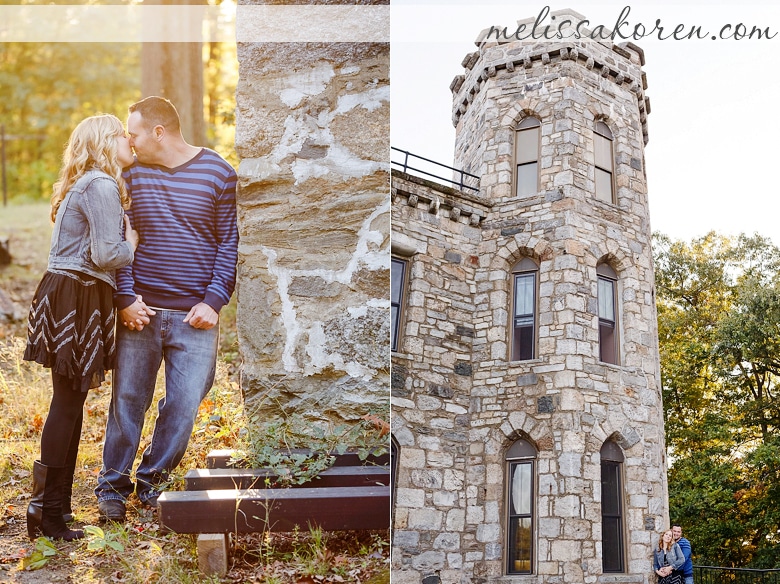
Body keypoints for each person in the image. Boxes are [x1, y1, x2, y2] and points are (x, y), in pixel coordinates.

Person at [94, 96, 238, 521]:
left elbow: (228, 242)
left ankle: (154, 481)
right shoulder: (130, 174)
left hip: (196, 316)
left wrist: (213, 301)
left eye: (133, 132)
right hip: (141, 311)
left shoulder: (219, 172)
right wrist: (125, 298)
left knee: (183, 404)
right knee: (127, 401)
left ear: (158, 132)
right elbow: (122, 239)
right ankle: (112, 487)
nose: (128, 140)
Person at [24, 114, 139, 540]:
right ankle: (46, 513)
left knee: (68, 404)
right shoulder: (101, 184)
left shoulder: (89, 182)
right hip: (77, 293)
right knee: (67, 406)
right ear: (106, 142)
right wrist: (131, 243)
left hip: (72, 291)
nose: (130, 141)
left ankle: (54, 509)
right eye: (122, 135)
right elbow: (108, 253)